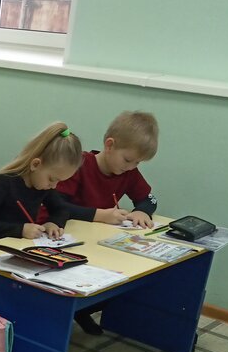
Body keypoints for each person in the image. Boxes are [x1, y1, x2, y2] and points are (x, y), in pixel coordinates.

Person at [56, 111, 160, 334]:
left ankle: (84, 310)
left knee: (125, 278)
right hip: (69, 240)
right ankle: (75, 310)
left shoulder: (129, 173)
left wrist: (142, 211)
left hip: (101, 242)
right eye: (128, 160)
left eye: (138, 163)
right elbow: (58, 205)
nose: (131, 167)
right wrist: (99, 215)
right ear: (109, 145)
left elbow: (149, 199)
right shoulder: (80, 164)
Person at [0, 122, 84, 285]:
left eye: (59, 181)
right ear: (35, 164)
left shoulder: (41, 186)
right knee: (9, 290)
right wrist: (20, 230)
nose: (54, 186)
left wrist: (54, 223)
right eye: (52, 179)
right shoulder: (3, 183)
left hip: (18, 260)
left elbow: (62, 209)